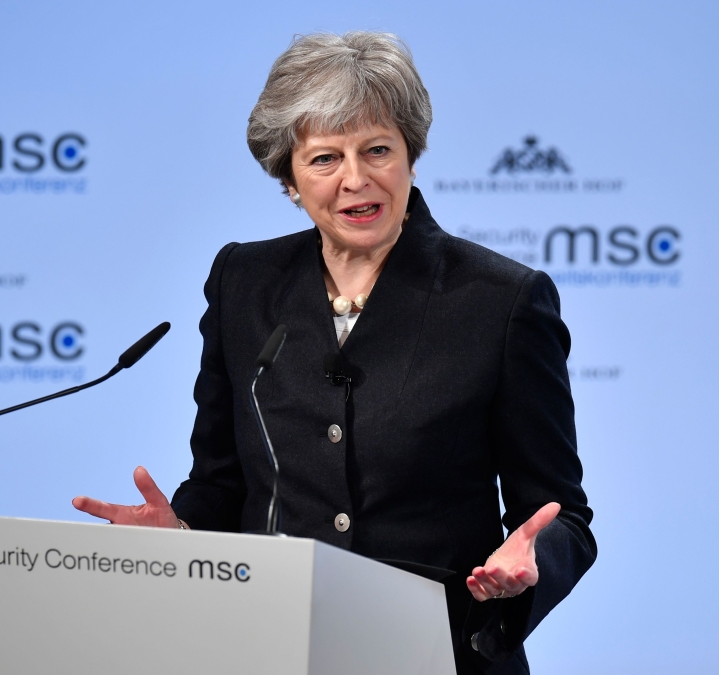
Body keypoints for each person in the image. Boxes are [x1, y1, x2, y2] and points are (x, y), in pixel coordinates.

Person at [73, 32, 595, 674]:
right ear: (289, 178)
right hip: (265, 648)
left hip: (440, 652)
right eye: (324, 159)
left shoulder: (502, 300)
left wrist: (533, 563)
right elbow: (223, 480)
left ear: (410, 156)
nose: (356, 179)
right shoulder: (243, 282)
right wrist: (177, 540)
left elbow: (562, 515)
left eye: (378, 150)